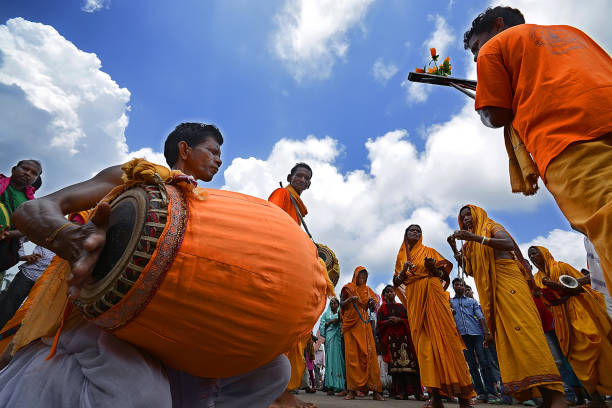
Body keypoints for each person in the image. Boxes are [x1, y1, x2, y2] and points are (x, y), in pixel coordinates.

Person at [3, 122, 292, 408]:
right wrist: (70, 237)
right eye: (212, 151)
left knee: (272, 370)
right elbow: (31, 209)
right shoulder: (135, 178)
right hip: (105, 320)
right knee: (140, 392)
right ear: (184, 149)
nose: (219, 160)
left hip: (174, 323)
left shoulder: (211, 206)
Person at [464, 5, 612, 291]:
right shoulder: (572, 33)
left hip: (570, 140)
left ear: (496, 26)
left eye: (475, 49)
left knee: (606, 218)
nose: (476, 57)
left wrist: (481, 107)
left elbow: (495, 114)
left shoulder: (495, 48)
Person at [449, 205, 565, 407]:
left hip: (511, 286)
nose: (466, 219)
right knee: (511, 342)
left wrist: (475, 238)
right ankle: (543, 397)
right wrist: (455, 248)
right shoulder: (469, 245)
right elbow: (470, 270)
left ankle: (557, 397)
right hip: (495, 296)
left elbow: (508, 243)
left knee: (527, 335)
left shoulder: (491, 226)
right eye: (463, 217)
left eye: (469, 215)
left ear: (478, 214)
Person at [394, 224, 475, 408]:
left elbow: (442, 274)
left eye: (418, 231)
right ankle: (435, 397)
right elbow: (397, 282)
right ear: (405, 235)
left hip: (434, 294)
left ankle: (464, 397)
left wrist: (432, 267)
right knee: (425, 348)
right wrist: (402, 272)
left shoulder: (430, 251)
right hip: (415, 300)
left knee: (447, 342)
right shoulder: (400, 257)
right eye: (411, 230)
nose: (415, 233)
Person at [529, 246, 612, 407]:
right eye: (530, 254)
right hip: (559, 319)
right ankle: (596, 398)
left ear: (544, 253)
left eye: (535, 253)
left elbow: (583, 287)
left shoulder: (562, 267)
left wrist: (557, 286)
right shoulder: (537, 278)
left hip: (578, 311)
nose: (532, 256)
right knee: (575, 357)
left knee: (592, 347)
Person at [268, 162, 317, 408]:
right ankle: (276, 393)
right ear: (290, 176)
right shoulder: (281, 194)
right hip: (280, 262)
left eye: (307, 177)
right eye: (299, 175)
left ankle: (281, 391)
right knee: (282, 329)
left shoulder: (297, 204)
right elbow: (274, 225)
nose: (302, 179)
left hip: (291, 262)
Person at [450, 278, 500, 403]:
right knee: (472, 365)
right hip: (462, 337)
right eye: (457, 285)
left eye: (462, 285)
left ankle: (491, 392)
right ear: (453, 287)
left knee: (484, 362)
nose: (460, 287)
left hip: (477, 334)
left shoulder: (472, 301)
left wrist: (486, 332)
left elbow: (480, 317)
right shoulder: (449, 302)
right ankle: (480, 393)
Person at [340, 267, 384, 401]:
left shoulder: (368, 290)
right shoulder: (347, 288)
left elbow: (372, 307)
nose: (363, 278)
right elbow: (341, 303)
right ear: (355, 275)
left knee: (369, 356)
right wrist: (349, 301)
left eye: (365, 276)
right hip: (351, 326)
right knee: (352, 358)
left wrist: (371, 303)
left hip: (364, 325)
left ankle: (376, 391)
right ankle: (352, 390)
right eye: (361, 275)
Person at [376, 284, 424, 400]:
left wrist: (399, 320)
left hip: (405, 339)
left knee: (411, 366)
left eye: (391, 291)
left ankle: (417, 392)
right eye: (387, 292)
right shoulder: (382, 309)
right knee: (396, 368)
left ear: (395, 293)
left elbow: (410, 320)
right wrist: (387, 323)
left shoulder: (402, 306)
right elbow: (379, 325)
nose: (389, 294)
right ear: (384, 295)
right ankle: (401, 392)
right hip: (391, 340)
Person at [0, 160, 42, 273]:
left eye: (33, 173)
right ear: (14, 169)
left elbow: (28, 229)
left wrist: (7, 234)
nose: (28, 173)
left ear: (36, 179)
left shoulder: (32, 204)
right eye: (25, 169)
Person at [0, 244, 55, 329]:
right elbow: (21, 236)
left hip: (49, 283)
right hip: (28, 275)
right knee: (7, 309)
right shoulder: (48, 232)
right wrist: (22, 256)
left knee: (31, 317)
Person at [319, 298, 346, 395]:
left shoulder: (340, 313)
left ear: (338, 304)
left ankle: (339, 386)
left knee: (338, 359)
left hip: (338, 337)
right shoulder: (326, 314)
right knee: (329, 360)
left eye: (334, 303)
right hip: (329, 338)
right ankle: (330, 386)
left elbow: (342, 321)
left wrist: (332, 321)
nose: (332, 305)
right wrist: (328, 323)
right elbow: (322, 324)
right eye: (331, 303)